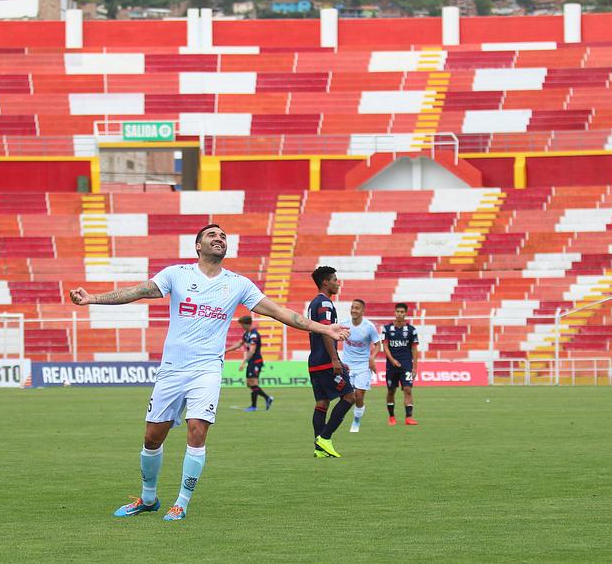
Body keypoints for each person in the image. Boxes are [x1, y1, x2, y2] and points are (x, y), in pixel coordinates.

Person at [69, 224, 348, 522]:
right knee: (152, 438)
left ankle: (182, 501)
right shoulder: (176, 274)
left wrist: (323, 328)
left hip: (206, 369)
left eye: (224, 236)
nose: (219, 239)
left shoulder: (238, 283)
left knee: (197, 430)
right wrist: (93, 298)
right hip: (172, 369)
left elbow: (281, 313)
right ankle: (148, 498)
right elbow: (138, 291)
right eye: (212, 236)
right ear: (198, 246)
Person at [308, 266, 356, 458]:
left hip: (315, 361)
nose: (338, 283)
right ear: (326, 282)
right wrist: (335, 359)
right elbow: (327, 332)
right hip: (327, 361)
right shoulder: (325, 304)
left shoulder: (314, 304)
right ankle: (325, 438)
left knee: (322, 403)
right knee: (350, 397)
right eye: (335, 279)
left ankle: (319, 449)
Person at [341, 299, 380, 433]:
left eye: (357, 308)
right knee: (346, 396)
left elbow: (378, 344)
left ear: (362, 311)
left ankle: (356, 421)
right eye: (352, 307)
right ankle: (339, 417)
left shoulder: (369, 326)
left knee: (358, 395)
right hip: (346, 365)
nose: (354, 310)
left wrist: (372, 357)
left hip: (363, 365)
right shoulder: (344, 324)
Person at [225, 315, 273, 411]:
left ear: (247, 324)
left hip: (256, 361)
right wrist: (226, 350)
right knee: (249, 383)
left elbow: (252, 351)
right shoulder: (247, 333)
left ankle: (257, 404)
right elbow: (239, 343)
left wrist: (243, 362)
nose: (241, 327)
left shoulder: (254, 335)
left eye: (242, 325)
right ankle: (264, 400)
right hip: (251, 361)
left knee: (253, 383)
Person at [383, 302, 418, 426]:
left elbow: (414, 349)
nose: (399, 314)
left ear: (406, 314)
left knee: (408, 389)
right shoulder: (386, 329)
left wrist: (415, 367)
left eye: (402, 312)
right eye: (398, 311)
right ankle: (391, 416)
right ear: (395, 312)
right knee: (391, 390)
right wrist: (392, 360)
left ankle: (409, 417)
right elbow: (385, 347)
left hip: (406, 365)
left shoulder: (411, 330)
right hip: (391, 366)